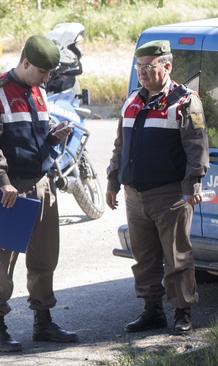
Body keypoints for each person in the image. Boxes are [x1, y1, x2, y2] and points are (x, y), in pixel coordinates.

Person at [0, 35, 78, 353]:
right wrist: (2, 180)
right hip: (11, 191)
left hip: (42, 184)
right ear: (25, 63)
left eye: (49, 73)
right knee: (2, 267)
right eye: (42, 72)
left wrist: (53, 137)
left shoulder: (39, 90)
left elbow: (34, 138)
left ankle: (43, 321)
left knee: (45, 259)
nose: (46, 78)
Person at [106, 40, 208, 335]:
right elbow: (119, 146)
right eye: (139, 67)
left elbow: (196, 149)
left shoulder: (184, 101)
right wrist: (113, 180)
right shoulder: (132, 101)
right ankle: (152, 311)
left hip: (170, 195)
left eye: (149, 67)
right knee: (145, 258)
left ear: (167, 66)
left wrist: (192, 186)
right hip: (135, 196)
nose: (143, 73)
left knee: (177, 257)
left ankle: (182, 312)